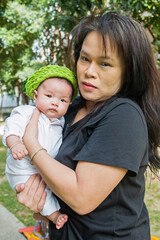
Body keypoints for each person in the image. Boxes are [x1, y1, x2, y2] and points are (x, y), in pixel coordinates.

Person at [15, 11, 160, 240]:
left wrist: (31, 145)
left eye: (105, 63)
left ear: (129, 70)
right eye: (84, 59)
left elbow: (81, 198)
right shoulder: (72, 108)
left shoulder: (124, 115)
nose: (89, 72)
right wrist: (40, 204)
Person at [2, 64, 78, 229]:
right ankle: (53, 215)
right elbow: (12, 127)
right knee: (38, 192)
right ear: (36, 96)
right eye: (49, 96)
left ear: (69, 103)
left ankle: (42, 217)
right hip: (23, 166)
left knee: (47, 189)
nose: (55, 103)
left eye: (62, 100)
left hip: (43, 167)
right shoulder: (27, 112)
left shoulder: (62, 122)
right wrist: (15, 143)